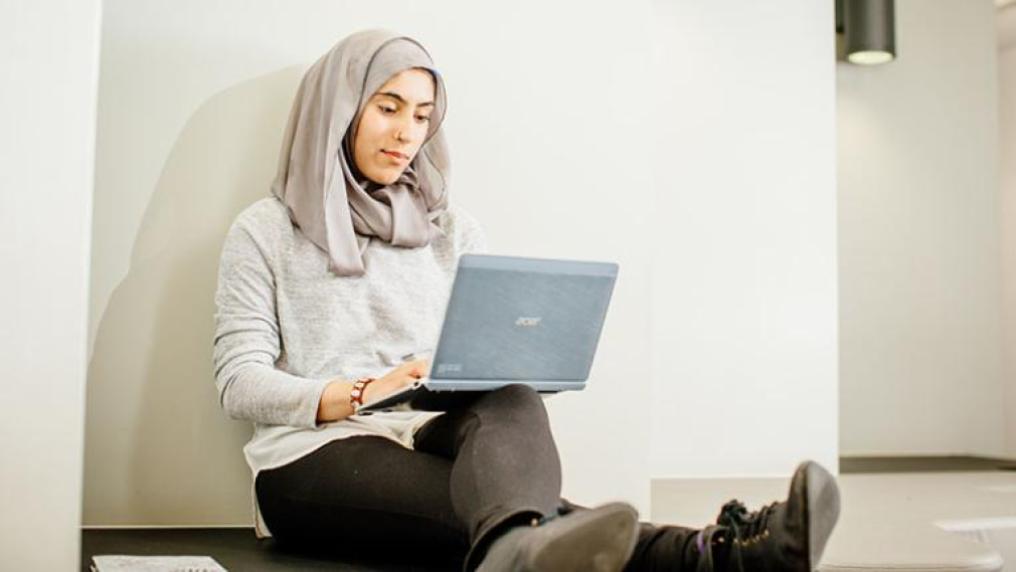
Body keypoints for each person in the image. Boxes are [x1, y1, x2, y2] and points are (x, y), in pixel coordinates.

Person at [212, 29, 841, 572]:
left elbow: (479, 359)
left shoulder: (450, 230)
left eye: (424, 114)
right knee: (513, 516)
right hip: (314, 460)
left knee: (510, 407)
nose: (409, 132)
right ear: (340, 107)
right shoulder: (265, 230)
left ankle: (520, 553)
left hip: (427, 431)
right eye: (389, 107)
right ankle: (728, 554)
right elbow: (239, 382)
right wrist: (359, 391)